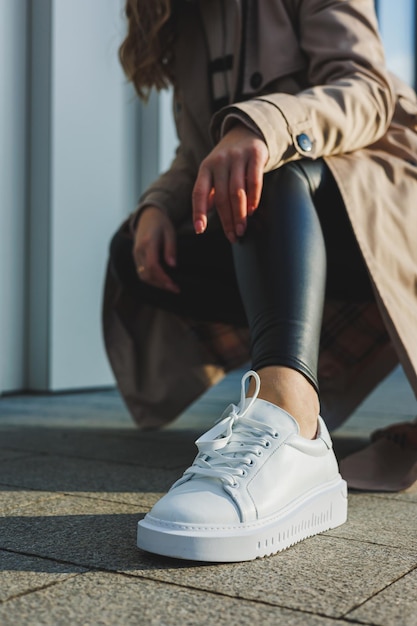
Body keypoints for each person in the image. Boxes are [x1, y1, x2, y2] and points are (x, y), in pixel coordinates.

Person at [103, 0, 417, 562]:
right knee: (135, 249)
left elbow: (367, 88)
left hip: (381, 197)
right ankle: (287, 408)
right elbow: (198, 151)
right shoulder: (189, 16)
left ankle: (291, 419)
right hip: (284, 218)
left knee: (264, 172)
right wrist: (157, 206)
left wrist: (266, 126)